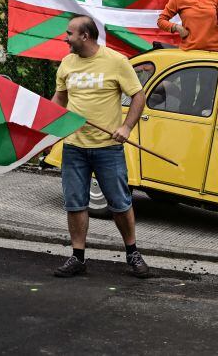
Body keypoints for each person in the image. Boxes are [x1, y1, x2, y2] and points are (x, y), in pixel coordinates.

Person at [51, 15, 151, 279]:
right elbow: (60, 99)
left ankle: (132, 253)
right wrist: (46, 129)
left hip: (108, 148)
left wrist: (127, 127)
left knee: (120, 203)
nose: (65, 37)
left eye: (70, 33)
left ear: (85, 36)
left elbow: (139, 96)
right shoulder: (66, 64)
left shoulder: (116, 61)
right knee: (75, 203)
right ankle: (78, 257)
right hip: (74, 147)